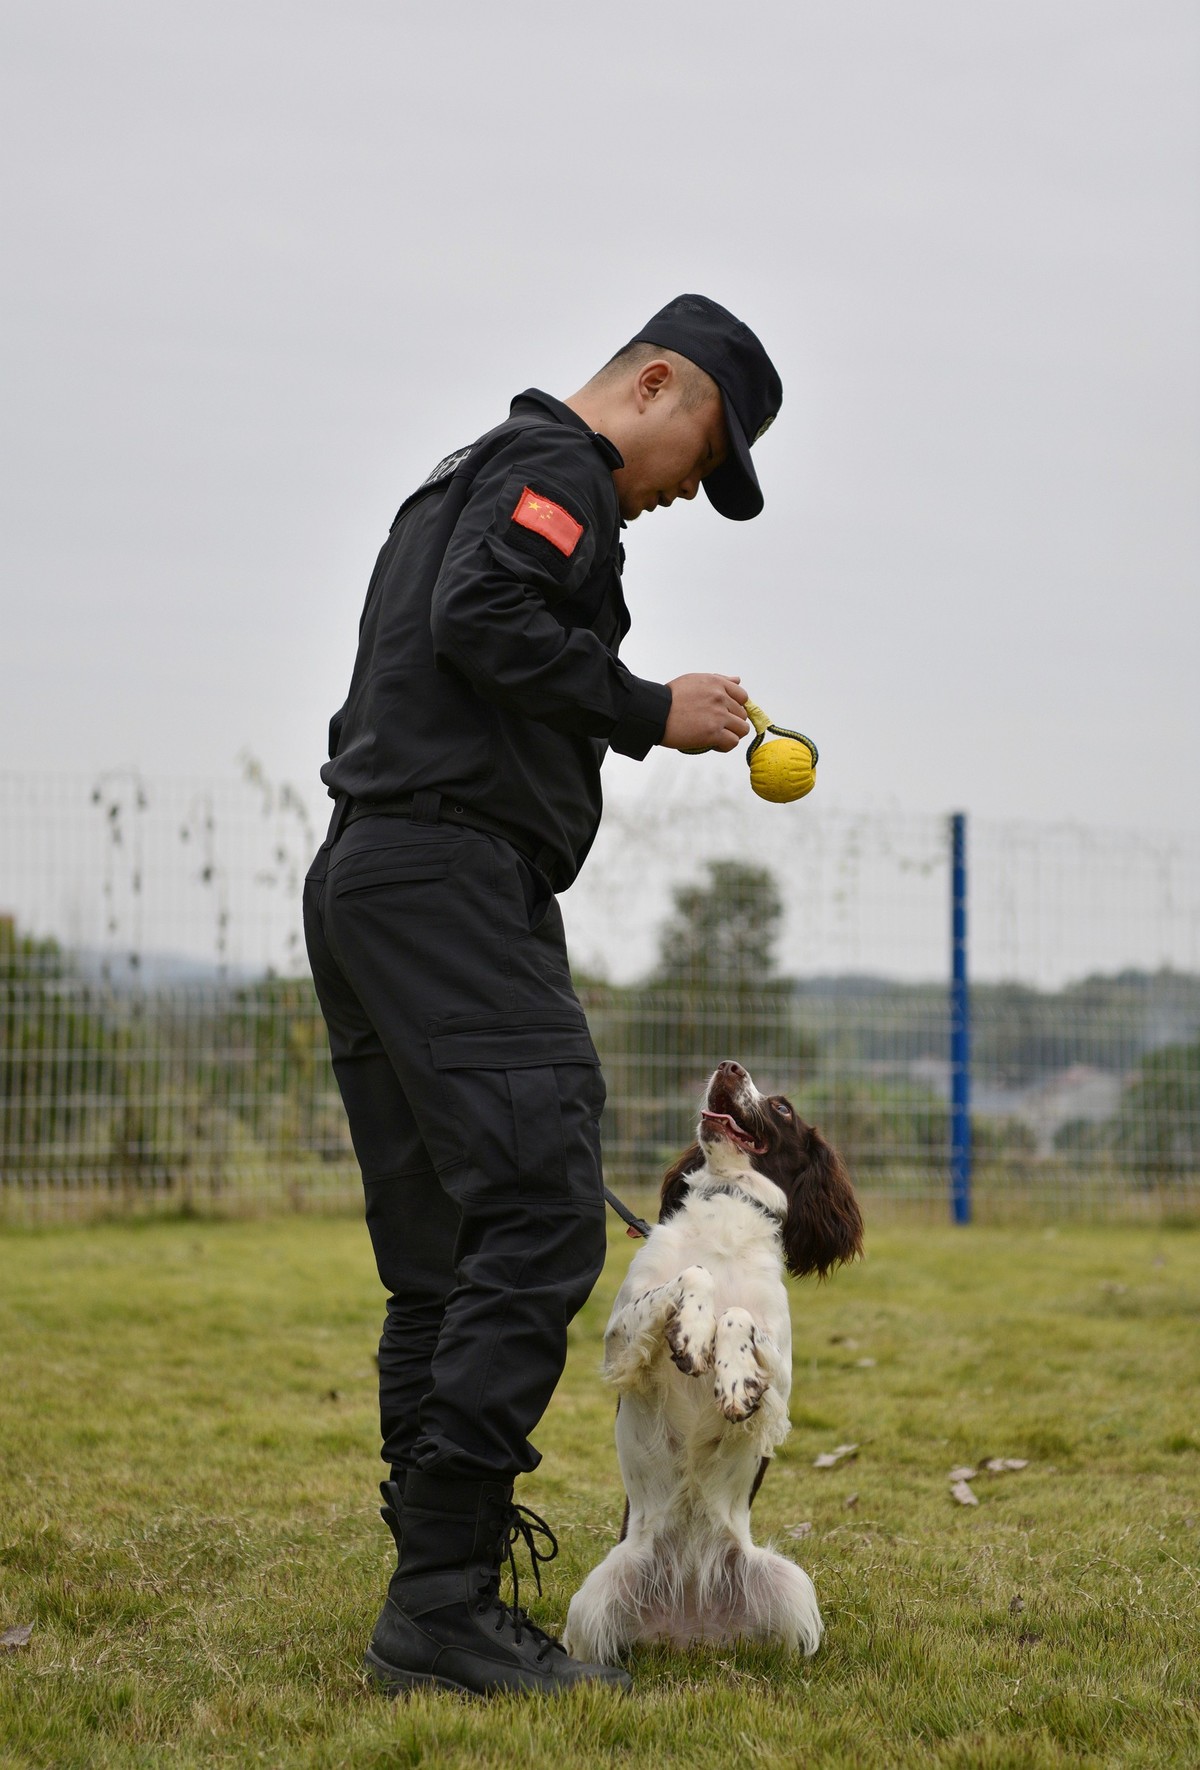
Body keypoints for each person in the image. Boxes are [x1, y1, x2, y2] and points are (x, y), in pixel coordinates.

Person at [303, 293, 783, 1698]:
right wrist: (649, 708)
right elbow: (484, 619)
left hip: (374, 876)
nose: (693, 484)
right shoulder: (552, 472)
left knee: (444, 1248)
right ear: (652, 383)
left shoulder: (464, 474)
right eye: (707, 445)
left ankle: (429, 1590)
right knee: (541, 1204)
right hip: (449, 875)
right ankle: (441, 1600)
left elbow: (467, 630)